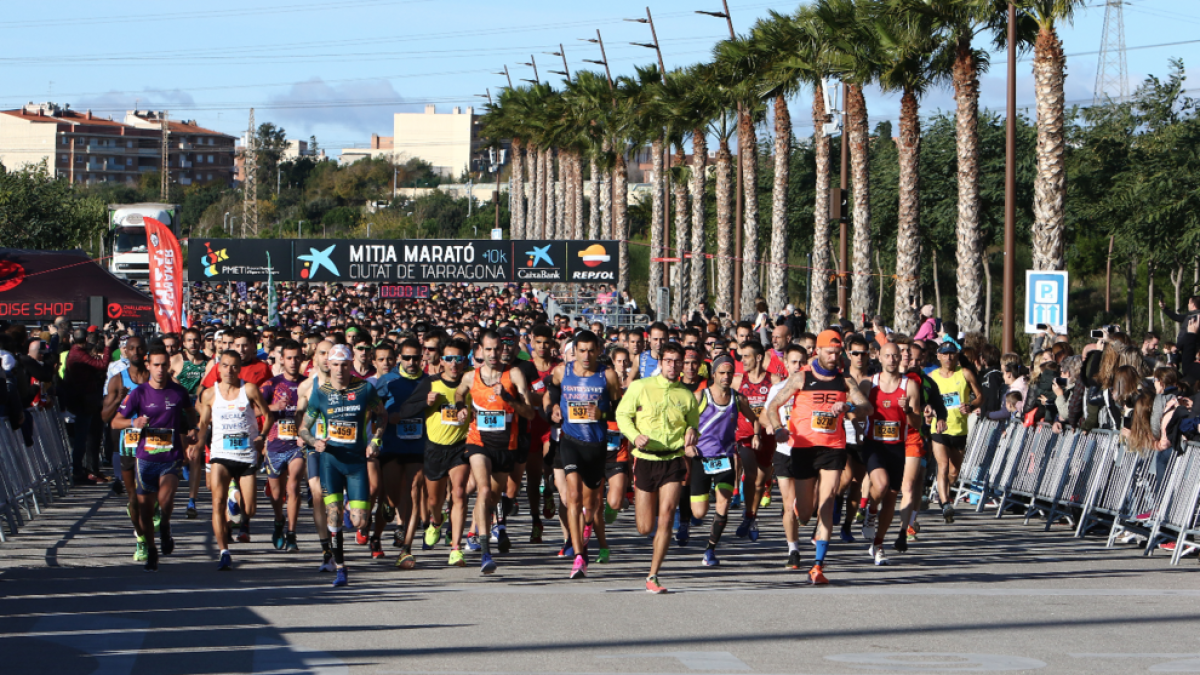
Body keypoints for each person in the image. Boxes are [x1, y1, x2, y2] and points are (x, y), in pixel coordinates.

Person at [763, 330, 873, 585]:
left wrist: (849, 408)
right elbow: (772, 406)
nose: (834, 357)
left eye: (837, 352)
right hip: (802, 448)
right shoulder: (802, 378)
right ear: (818, 351)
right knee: (804, 512)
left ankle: (817, 566)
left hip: (833, 448)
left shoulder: (845, 382)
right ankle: (802, 516)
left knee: (827, 502)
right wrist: (779, 429)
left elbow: (867, 408)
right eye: (829, 352)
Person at [296, 343, 388, 587]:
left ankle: (354, 505)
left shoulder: (364, 389)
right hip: (331, 461)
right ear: (329, 365)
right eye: (335, 364)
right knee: (333, 516)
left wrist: (376, 439)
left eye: (344, 365)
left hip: (357, 461)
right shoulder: (321, 393)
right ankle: (340, 568)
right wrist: (314, 442)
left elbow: (382, 415)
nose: (339, 369)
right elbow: (303, 428)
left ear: (351, 365)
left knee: (359, 521)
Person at [615, 342, 700, 594]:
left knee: (667, 515)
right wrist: (634, 435)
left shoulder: (686, 395)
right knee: (645, 527)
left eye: (678, 362)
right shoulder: (641, 387)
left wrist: (691, 432)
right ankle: (647, 522)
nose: (673, 366)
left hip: (673, 459)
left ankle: (653, 575)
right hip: (645, 459)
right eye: (668, 361)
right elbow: (622, 415)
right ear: (661, 362)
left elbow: (692, 424)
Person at [454, 330, 535, 575]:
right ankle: (485, 552)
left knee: (492, 498)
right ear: (479, 350)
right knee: (484, 488)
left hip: (506, 446)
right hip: (478, 441)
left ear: (504, 349)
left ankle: (483, 532)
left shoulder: (514, 374)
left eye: (497, 349)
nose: (493, 354)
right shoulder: (471, 376)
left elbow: (530, 413)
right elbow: (459, 392)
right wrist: (460, 407)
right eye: (488, 350)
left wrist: (508, 398)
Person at [113, 345, 199, 572]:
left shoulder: (178, 392)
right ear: (148, 366)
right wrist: (133, 423)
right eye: (156, 365)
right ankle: (151, 550)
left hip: (170, 457)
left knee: (166, 501)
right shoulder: (139, 393)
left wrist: (192, 428)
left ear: (169, 366)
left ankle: (167, 526)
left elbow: (190, 412)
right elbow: (115, 422)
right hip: (145, 459)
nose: (160, 369)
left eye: (164, 365)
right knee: (145, 511)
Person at [545, 330, 623, 578]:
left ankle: (588, 527)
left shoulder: (607, 375)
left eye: (591, 350)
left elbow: (617, 410)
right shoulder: (562, 371)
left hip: (596, 445)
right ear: (574, 351)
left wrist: (600, 415)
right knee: (573, 496)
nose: (586, 355)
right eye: (582, 350)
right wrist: (554, 407)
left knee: (591, 505)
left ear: (599, 350)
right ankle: (579, 556)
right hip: (570, 442)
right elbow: (553, 389)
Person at [192, 349, 273, 570]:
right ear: (218, 367)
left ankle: (234, 505)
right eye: (225, 365)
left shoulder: (249, 389)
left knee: (251, 509)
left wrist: (262, 437)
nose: (229, 370)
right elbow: (204, 423)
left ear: (240, 368)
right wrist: (198, 445)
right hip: (221, 454)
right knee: (215, 504)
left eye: (234, 366)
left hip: (246, 454)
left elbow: (268, 416)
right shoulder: (210, 394)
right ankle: (224, 551)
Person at [396, 337, 472, 567]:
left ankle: (456, 549)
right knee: (433, 500)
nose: (454, 364)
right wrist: (425, 403)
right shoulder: (430, 383)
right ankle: (436, 521)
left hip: (461, 447)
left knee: (459, 493)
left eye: (458, 359)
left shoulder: (469, 383)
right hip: (434, 448)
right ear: (441, 361)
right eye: (449, 358)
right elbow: (406, 410)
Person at [690, 355, 756, 566]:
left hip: (725, 458)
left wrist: (757, 435)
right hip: (701, 458)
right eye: (722, 373)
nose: (726, 377)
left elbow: (755, 419)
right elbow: (683, 422)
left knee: (724, 504)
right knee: (699, 513)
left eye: (729, 373)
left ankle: (710, 549)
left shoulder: (738, 399)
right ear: (714, 374)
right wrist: (686, 443)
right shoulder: (700, 396)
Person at [861, 343, 921, 566]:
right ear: (879, 357)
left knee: (891, 499)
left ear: (901, 358)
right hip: (874, 444)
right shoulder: (870, 384)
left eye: (896, 356)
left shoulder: (910, 386)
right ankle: (871, 511)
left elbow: (917, 422)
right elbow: (858, 410)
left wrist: (907, 411)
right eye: (887, 356)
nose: (892, 360)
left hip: (897, 446)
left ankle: (878, 545)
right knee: (882, 484)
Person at [377, 339, 428, 568]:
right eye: (407, 358)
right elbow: (371, 409)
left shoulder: (429, 382)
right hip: (392, 445)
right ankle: (385, 514)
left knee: (414, 491)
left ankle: (407, 549)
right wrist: (387, 417)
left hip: (418, 446)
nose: (411, 362)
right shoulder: (387, 381)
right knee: (393, 498)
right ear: (399, 357)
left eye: (416, 357)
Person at [101, 336, 149, 562]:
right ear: (125, 353)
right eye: (132, 349)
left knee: (152, 493)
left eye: (140, 348)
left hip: (153, 442)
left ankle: (153, 513)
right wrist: (119, 398)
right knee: (133, 496)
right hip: (127, 441)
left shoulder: (155, 377)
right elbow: (104, 416)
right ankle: (141, 539)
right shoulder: (117, 380)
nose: (136, 352)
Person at [260, 339, 308, 553]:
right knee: (277, 494)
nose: (293, 362)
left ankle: (291, 533)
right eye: (289, 358)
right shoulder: (272, 385)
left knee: (293, 485)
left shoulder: (307, 384)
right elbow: (252, 410)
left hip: (297, 444)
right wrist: (272, 407)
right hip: (274, 444)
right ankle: (279, 521)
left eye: (297, 357)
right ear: (281, 359)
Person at [927, 341, 982, 523]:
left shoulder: (965, 374)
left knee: (953, 472)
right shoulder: (932, 376)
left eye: (952, 354)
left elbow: (981, 396)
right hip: (939, 427)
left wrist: (971, 405)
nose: (949, 357)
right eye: (945, 354)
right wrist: (927, 410)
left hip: (959, 429)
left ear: (957, 356)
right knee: (942, 466)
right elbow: (924, 399)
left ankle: (944, 492)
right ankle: (945, 504)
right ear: (939, 356)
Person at [763, 343, 807, 569]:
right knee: (789, 505)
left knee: (807, 507)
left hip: (809, 451)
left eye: (802, 362)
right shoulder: (777, 389)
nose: (798, 366)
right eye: (793, 362)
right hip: (784, 452)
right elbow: (765, 415)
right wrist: (773, 426)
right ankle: (793, 550)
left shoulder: (812, 389)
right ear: (786, 364)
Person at [731, 340, 779, 542]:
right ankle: (748, 515)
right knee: (750, 474)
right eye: (742, 357)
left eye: (747, 356)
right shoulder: (737, 381)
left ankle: (751, 515)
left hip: (768, 436)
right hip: (744, 435)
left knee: (760, 481)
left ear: (759, 358)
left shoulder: (774, 380)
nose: (743, 360)